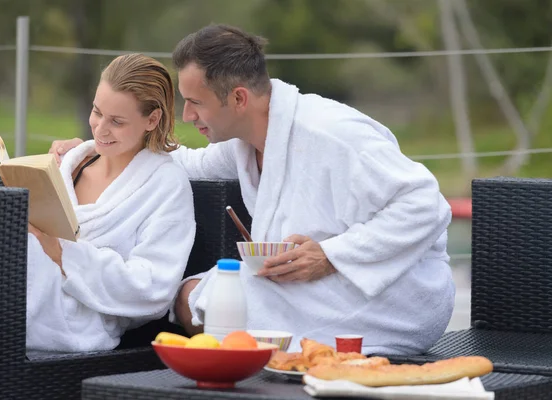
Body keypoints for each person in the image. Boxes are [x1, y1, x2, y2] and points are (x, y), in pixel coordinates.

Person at [49, 25, 455, 355]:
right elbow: (184, 161)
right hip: (310, 285)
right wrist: (88, 149)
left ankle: (265, 369)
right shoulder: (247, 141)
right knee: (195, 295)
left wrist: (330, 255)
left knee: (208, 300)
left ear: (238, 98)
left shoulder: (333, 134)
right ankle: (263, 369)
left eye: (195, 103)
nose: (187, 116)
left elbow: (424, 205)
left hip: (391, 296)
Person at [0, 53, 196, 352]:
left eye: (117, 121)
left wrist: (62, 253)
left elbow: (152, 289)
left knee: (0, 242)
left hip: (80, 313)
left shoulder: (166, 185)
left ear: (152, 119)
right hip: (26, 276)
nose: (100, 129)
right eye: (97, 112)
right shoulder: (73, 162)